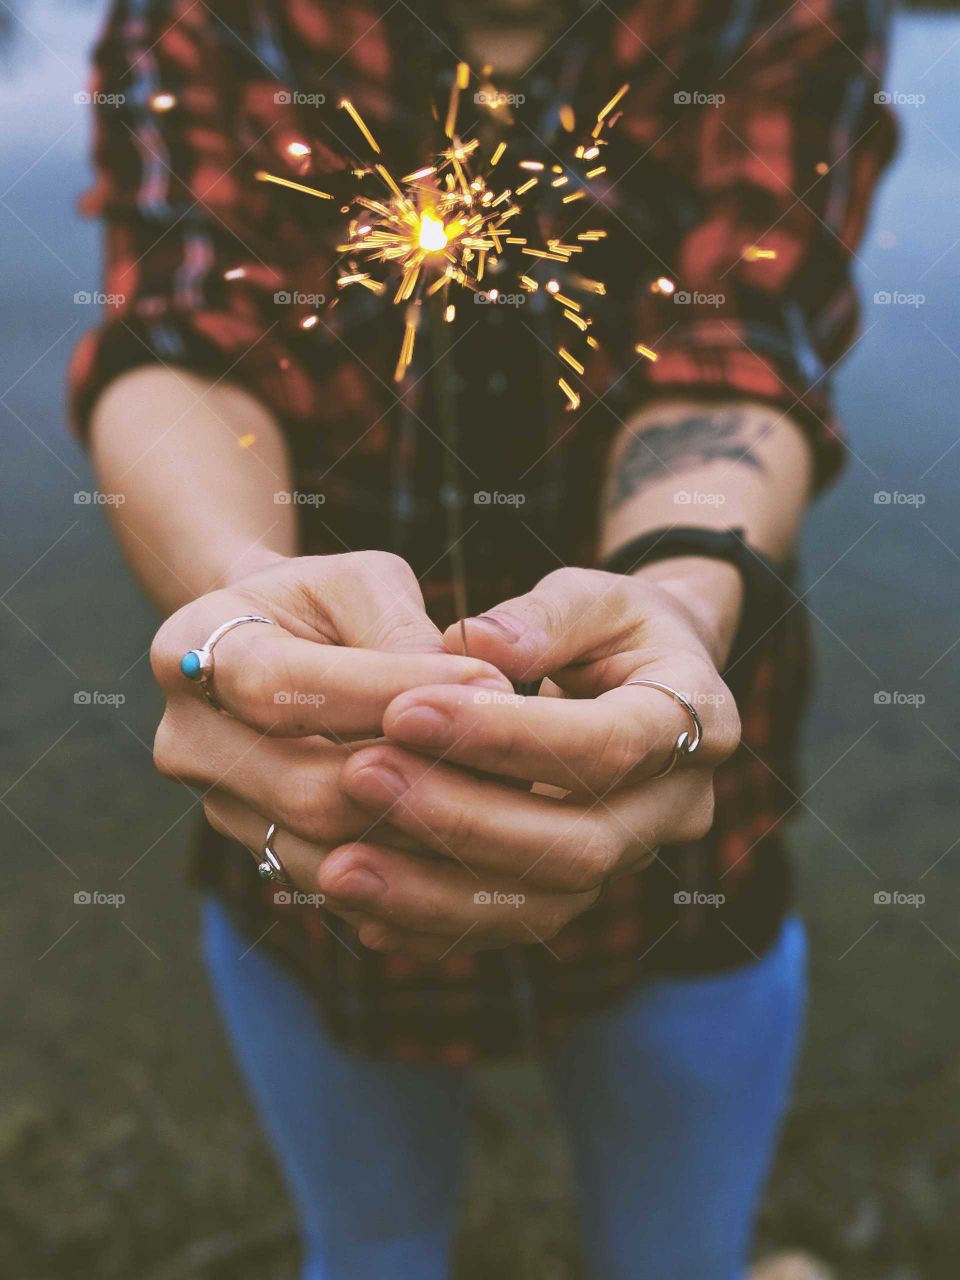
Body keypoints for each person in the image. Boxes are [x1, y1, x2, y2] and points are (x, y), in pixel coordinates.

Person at [70, 1, 895, 1276]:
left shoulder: (783, 15)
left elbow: (738, 344)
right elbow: (181, 334)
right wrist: (239, 598)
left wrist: (678, 603)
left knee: (678, 1258)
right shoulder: (205, 15)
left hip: (691, 847)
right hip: (315, 828)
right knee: (373, 1255)